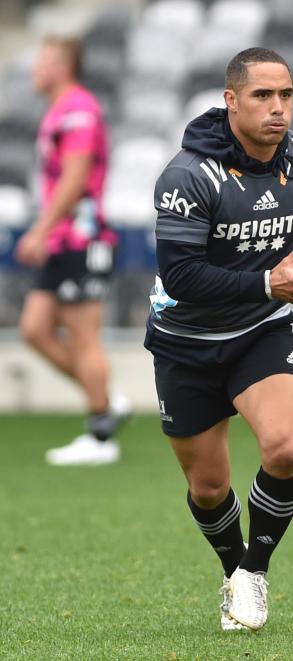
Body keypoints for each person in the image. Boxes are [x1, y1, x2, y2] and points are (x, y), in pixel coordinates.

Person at [144, 47, 293, 631]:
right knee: (209, 488)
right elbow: (182, 277)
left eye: (286, 95)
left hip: (260, 330)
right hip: (184, 342)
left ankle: (253, 573)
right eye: (263, 96)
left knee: (284, 450)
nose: (278, 108)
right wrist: (270, 281)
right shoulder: (188, 175)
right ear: (231, 101)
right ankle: (233, 569)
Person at [16, 36, 130, 465]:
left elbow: (76, 176)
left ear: (62, 65)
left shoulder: (78, 109)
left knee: (84, 338)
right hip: (63, 240)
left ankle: (101, 438)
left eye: (41, 60)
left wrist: (40, 230)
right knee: (35, 329)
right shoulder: (60, 109)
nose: (34, 69)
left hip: (82, 240)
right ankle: (104, 397)